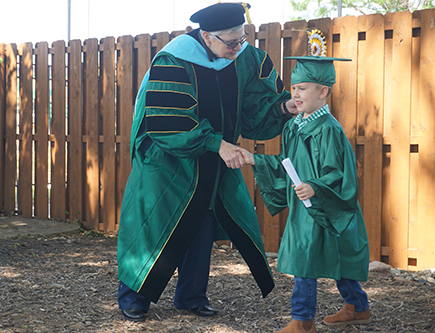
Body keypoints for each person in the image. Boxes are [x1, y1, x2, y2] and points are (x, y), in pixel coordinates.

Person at [116, 2, 298, 322]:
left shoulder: (246, 59)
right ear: (207, 37)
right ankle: (134, 297)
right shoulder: (175, 59)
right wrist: (215, 143)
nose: (237, 48)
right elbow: (167, 121)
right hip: (168, 160)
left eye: (241, 39)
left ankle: (191, 295)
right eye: (230, 42)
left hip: (215, 161)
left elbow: (255, 114)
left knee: (201, 222)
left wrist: (285, 109)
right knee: (153, 225)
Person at [240, 56, 371, 333]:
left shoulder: (328, 129)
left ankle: (302, 321)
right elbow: (287, 165)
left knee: (307, 260)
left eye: (302, 88)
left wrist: (316, 186)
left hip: (326, 206)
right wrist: (255, 160)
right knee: (326, 257)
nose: (295, 95)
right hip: (305, 206)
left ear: (323, 92)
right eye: (293, 88)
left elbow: (337, 173)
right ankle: (358, 307)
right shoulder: (293, 125)